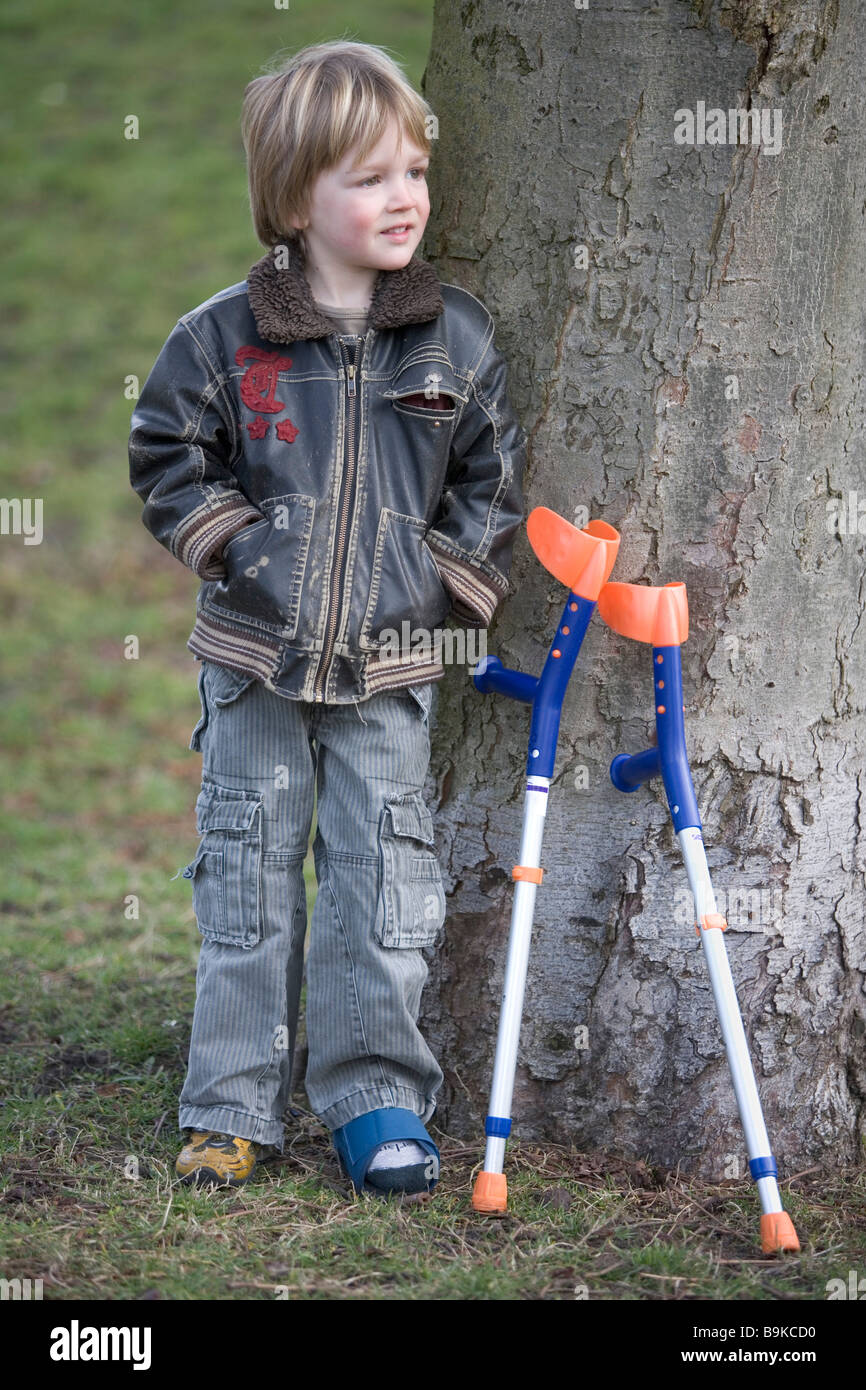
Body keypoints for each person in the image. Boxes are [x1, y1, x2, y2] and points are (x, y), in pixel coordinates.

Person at [128, 39, 526, 1197]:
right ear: (295, 200)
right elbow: (167, 455)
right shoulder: (222, 338)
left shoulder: (451, 335)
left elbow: (489, 480)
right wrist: (241, 549)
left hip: (395, 665)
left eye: (412, 171)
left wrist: (444, 584)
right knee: (248, 878)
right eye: (367, 178)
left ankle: (374, 1097)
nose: (401, 197)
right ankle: (228, 1107)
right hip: (256, 658)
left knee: (381, 883)